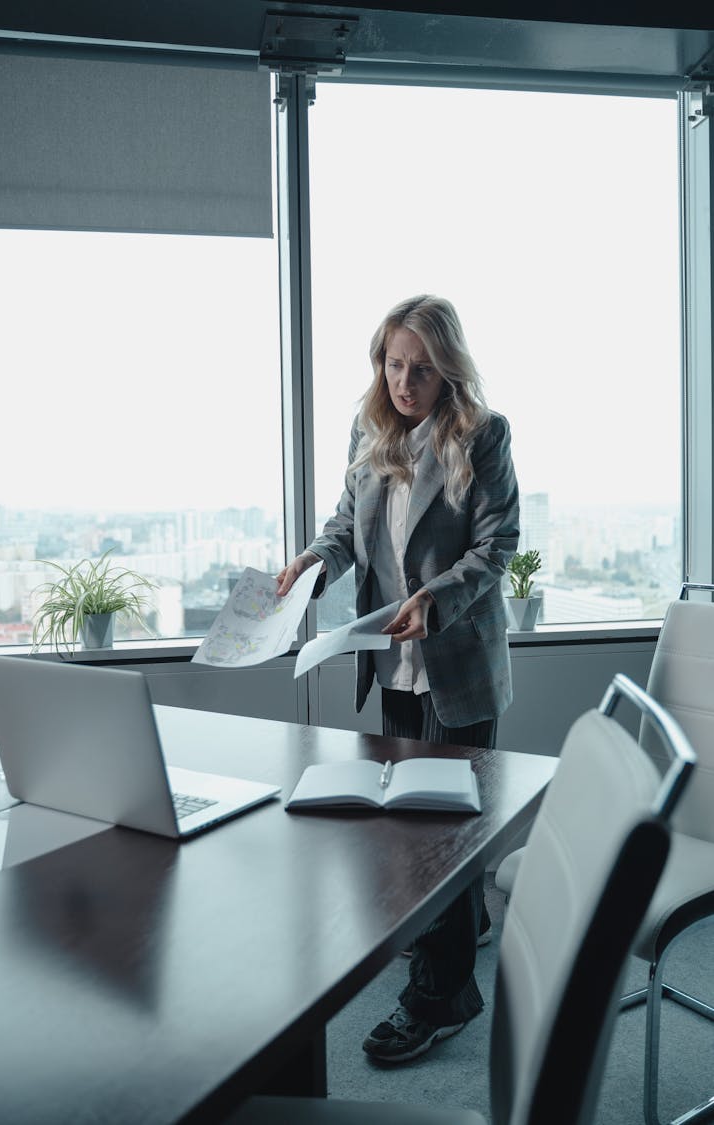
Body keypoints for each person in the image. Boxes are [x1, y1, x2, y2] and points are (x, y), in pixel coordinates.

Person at [276, 294, 519, 1063]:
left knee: (440, 834)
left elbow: (497, 545)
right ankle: (459, 929)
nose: (405, 380)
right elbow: (348, 528)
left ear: (446, 370)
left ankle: (444, 995)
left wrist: (434, 599)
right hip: (392, 662)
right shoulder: (370, 430)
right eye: (393, 363)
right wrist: (315, 564)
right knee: (409, 827)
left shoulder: (482, 435)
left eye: (420, 367)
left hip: (455, 660)